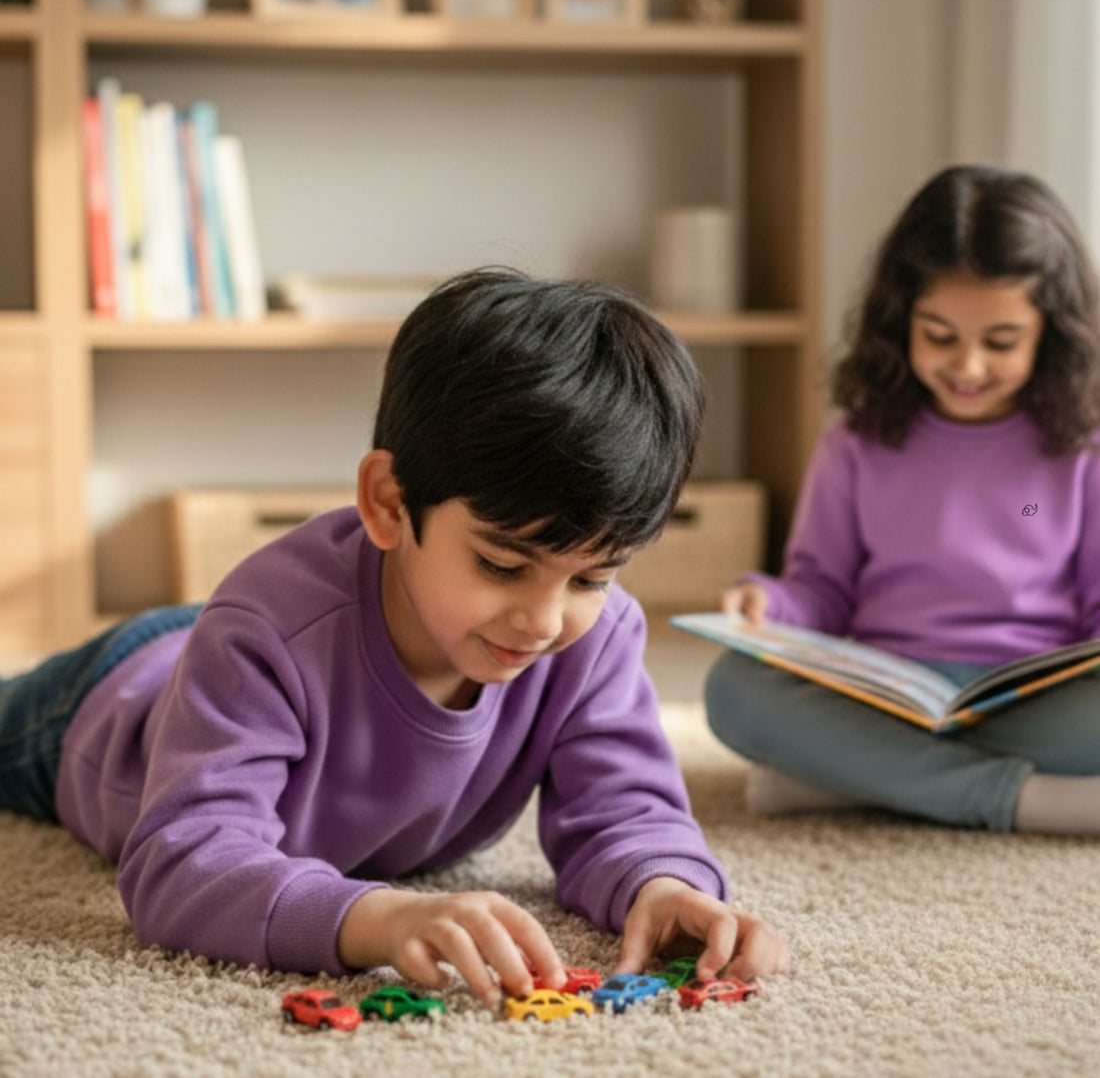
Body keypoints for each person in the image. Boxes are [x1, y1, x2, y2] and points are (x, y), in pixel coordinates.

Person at [0, 268, 787, 1006]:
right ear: (387, 502)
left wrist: (664, 884)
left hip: (238, 643)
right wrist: (378, 919)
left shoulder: (593, 639)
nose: (545, 621)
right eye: (501, 564)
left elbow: (623, 809)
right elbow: (182, 863)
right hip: (103, 702)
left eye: (591, 578)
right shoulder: (263, 633)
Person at [706, 164, 1100, 836]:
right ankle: (1017, 800)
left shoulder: (1082, 452)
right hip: (885, 694)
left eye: (1001, 342)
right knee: (733, 690)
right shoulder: (857, 443)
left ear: (1050, 335)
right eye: (939, 336)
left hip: (1030, 699)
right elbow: (822, 591)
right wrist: (767, 604)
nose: (968, 366)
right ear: (900, 321)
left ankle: (852, 779)